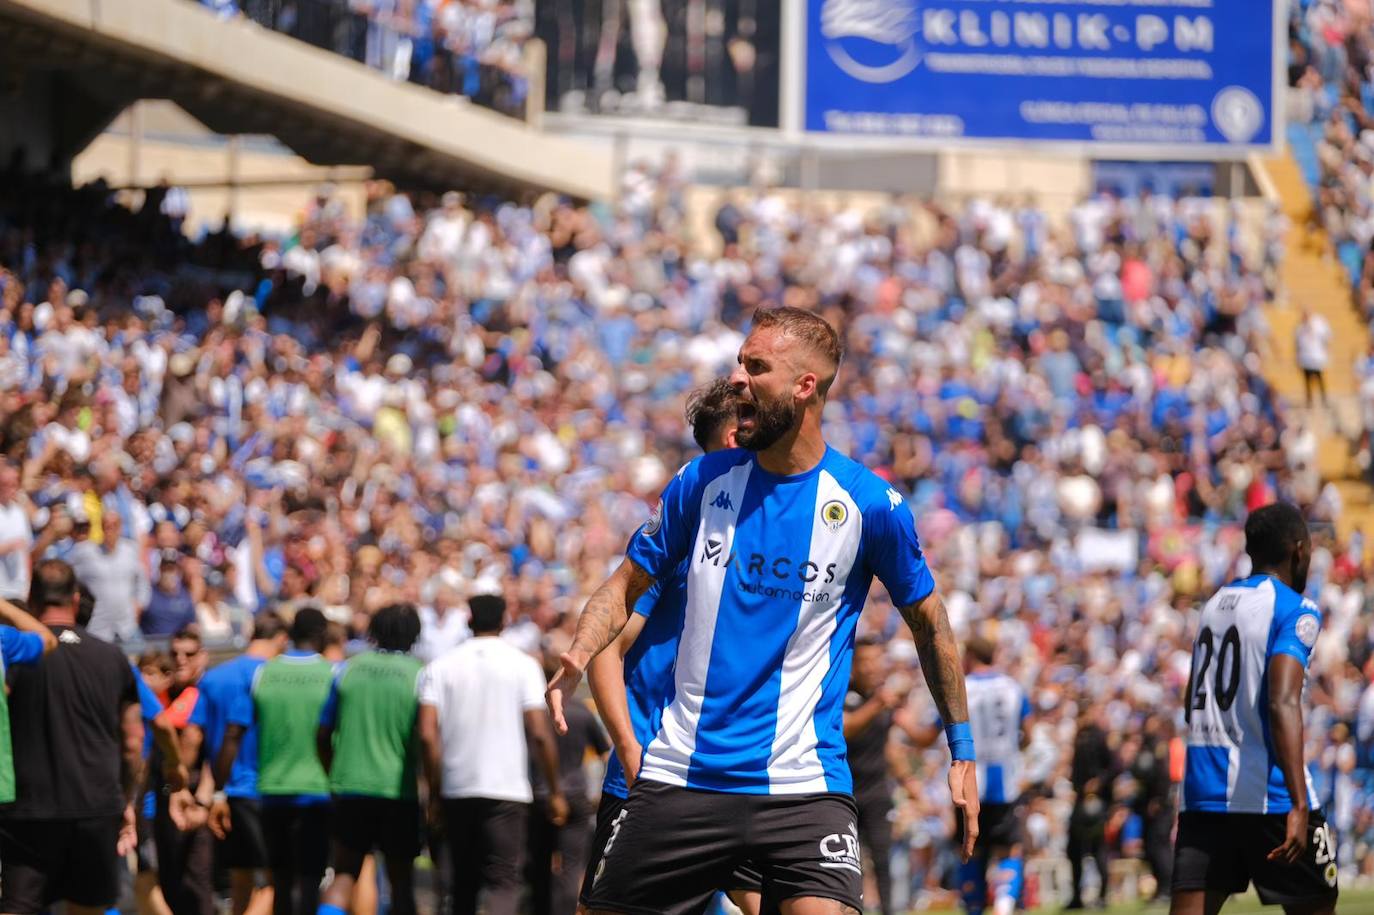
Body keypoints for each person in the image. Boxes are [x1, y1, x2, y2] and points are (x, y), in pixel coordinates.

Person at [547, 306, 979, 915]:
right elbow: (621, 588)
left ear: (805, 386)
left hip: (804, 787)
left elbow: (930, 624)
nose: (736, 378)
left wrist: (962, 748)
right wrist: (582, 645)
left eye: (755, 367)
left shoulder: (869, 505)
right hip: (682, 776)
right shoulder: (701, 482)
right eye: (738, 363)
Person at [581, 377, 766, 915]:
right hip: (656, 772)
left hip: (737, 774)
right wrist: (629, 749)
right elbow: (606, 649)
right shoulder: (680, 530)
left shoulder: (774, 535)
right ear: (735, 438)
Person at [1170, 503, 1339, 915]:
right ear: (1299, 550)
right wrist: (1299, 804)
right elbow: (1282, 701)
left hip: (1204, 792)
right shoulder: (1296, 608)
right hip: (1270, 796)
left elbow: (1192, 702)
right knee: (1318, 904)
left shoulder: (1214, 605)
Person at [0, 559, 148, 914]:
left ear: (31, 598)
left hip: (28, 810)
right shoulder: (112, 657)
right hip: (96, 805)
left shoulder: (16, 654)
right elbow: (133, 742)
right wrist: (127, 800)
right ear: (76, 598)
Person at [418, 592, 568, 915]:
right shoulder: (523, 665)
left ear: (469, 621)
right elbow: (539, 733)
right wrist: (555, 790)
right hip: (507, 789)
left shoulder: (440, 667)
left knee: (463, 883)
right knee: (504, 880)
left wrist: (434, 791)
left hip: (456, 787)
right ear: (504, 621)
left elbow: (428, 734)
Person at [217, 607, 336, 915]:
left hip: (271, 790)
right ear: (321, 635)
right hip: (317, 790)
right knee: (309, 879)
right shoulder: (332, 674)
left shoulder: (263, 673)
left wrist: (218, 788)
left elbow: (233, 732)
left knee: (281, 879)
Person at [316, 603, 426, 915]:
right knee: (401, 882)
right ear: (414, 635)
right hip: (398, 790)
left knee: (344, 874)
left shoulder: (347, 670)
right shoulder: (419, 674)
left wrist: (333, 773)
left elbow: (322, 734)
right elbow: (427, 736)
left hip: (350, 785)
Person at [193, 613, 289, 915]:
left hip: (227, 791)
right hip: (263, 789)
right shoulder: (274, 678)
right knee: (275, 883)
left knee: (240, 880)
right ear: (281, 639)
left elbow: (194, 735)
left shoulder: (213, 678)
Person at [844, 636, 932, 915]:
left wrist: (941, 723)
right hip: (844, 794)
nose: (871, 667)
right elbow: (847, 728)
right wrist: (878, 703)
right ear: (852, 665)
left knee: (884, 860)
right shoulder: (843, 695)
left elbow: (908, 742)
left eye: (875, 661)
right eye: (864, 662)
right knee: (846, 864)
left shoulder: (885, 701)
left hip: (877, 793)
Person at [531, 632, 610, 915]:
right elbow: (605, 752)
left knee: (537, 866)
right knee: (571, 868)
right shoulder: (581, 711)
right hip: (575, 793)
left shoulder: (534, 714)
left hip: (539, 793)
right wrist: (599, 790)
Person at [956, 636, 1030, 915]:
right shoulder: (1013, 687)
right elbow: (1028, 733)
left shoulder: (962, 688)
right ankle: (1003, 904)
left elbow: (930, 733)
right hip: (1006, 782)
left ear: (969, 655)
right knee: (1009, 848)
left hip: (970, 783)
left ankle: (974, 907)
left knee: (970, 849)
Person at [152, 629, 214, 915]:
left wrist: (201, 797)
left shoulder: (205, 693)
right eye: (174, 653)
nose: (180, 660)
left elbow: (205, 746)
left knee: (195, 880)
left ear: (202, 657)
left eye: (188, 654)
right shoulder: (163, 694)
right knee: (170, 879)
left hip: (193, 793)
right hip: (165, 793)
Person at [68, 510, 149, 644]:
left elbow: (142, 582)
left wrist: (139, 605)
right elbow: (69, 578)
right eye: (106, 526)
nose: (110, 530)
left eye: (114, 525)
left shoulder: (130, 550)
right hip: (98, 626)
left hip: (127, 626)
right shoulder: (85, 552)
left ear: (120, 527)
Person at [1065, 708, 1115, 910]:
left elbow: (1113, 766)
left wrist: (1098, 782)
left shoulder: (1099, 737)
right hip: (1080, 801)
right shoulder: (1080, 737)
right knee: (1074, 850)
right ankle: (1077, 896)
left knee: (1098, 849)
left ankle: (1102, 895)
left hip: (1096, 802)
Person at [0, 461, 34, 601]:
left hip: (20, 590)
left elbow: (27, 551)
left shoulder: (19, 512)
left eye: (15, 484)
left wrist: (28, 583)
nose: (12, 489)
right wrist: (9, 547)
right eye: (7, 484)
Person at [1295, 308, 1331, 408]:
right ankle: (1309, 400)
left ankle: (1324, 399)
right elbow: (1297, 344)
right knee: (1307, 381)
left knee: (1320, 379)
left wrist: (1326, 352)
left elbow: (1326, 338)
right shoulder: (1300, 328)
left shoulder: (1318, 324)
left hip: (1317, 357)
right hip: (1306, 358)